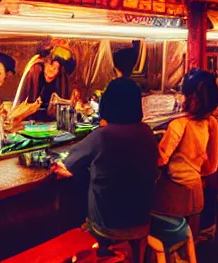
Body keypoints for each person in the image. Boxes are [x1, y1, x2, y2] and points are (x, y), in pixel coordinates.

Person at [53, 77, 159, 240]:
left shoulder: (102, 136)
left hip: (106, 229)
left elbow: (66, 165)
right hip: (143, 223)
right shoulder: (146, 132)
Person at [153, 69, 218, 237]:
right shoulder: (212, 123)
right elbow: (211, 167)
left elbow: (160, 160)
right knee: (189, 242)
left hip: (173, 197)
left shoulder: (179, 124)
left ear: (191, 97)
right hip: (196, 196)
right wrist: (194, 168)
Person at [17, 44, 77, 121]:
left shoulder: (61, 80)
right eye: (51, 64)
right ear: (44, 62)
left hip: (50, 122)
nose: (53, 71)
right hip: (30, 120)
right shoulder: (36, 70)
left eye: (57, 68)